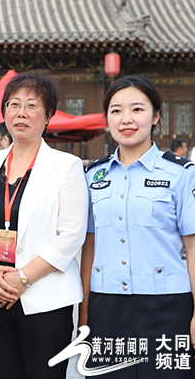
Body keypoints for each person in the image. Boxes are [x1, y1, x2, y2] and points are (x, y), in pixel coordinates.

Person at [0, 72, 89, 379]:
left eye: (32, 105)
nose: (21, 113)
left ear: (48, 115)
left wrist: (22, 278)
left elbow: (71, 235)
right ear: (4, 112)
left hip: (45, 299)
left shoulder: (66, 166)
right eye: (13, 104)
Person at [80, 75, 195, 378]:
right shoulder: (93, 177)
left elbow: (193, 246)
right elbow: (88, 244)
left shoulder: (181, 174)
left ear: (156, 116)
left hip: (167, 307)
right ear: (107, 118)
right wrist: (84, 312)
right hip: (106, 307)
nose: (126, 119)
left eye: (137, 109)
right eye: (116, 110)